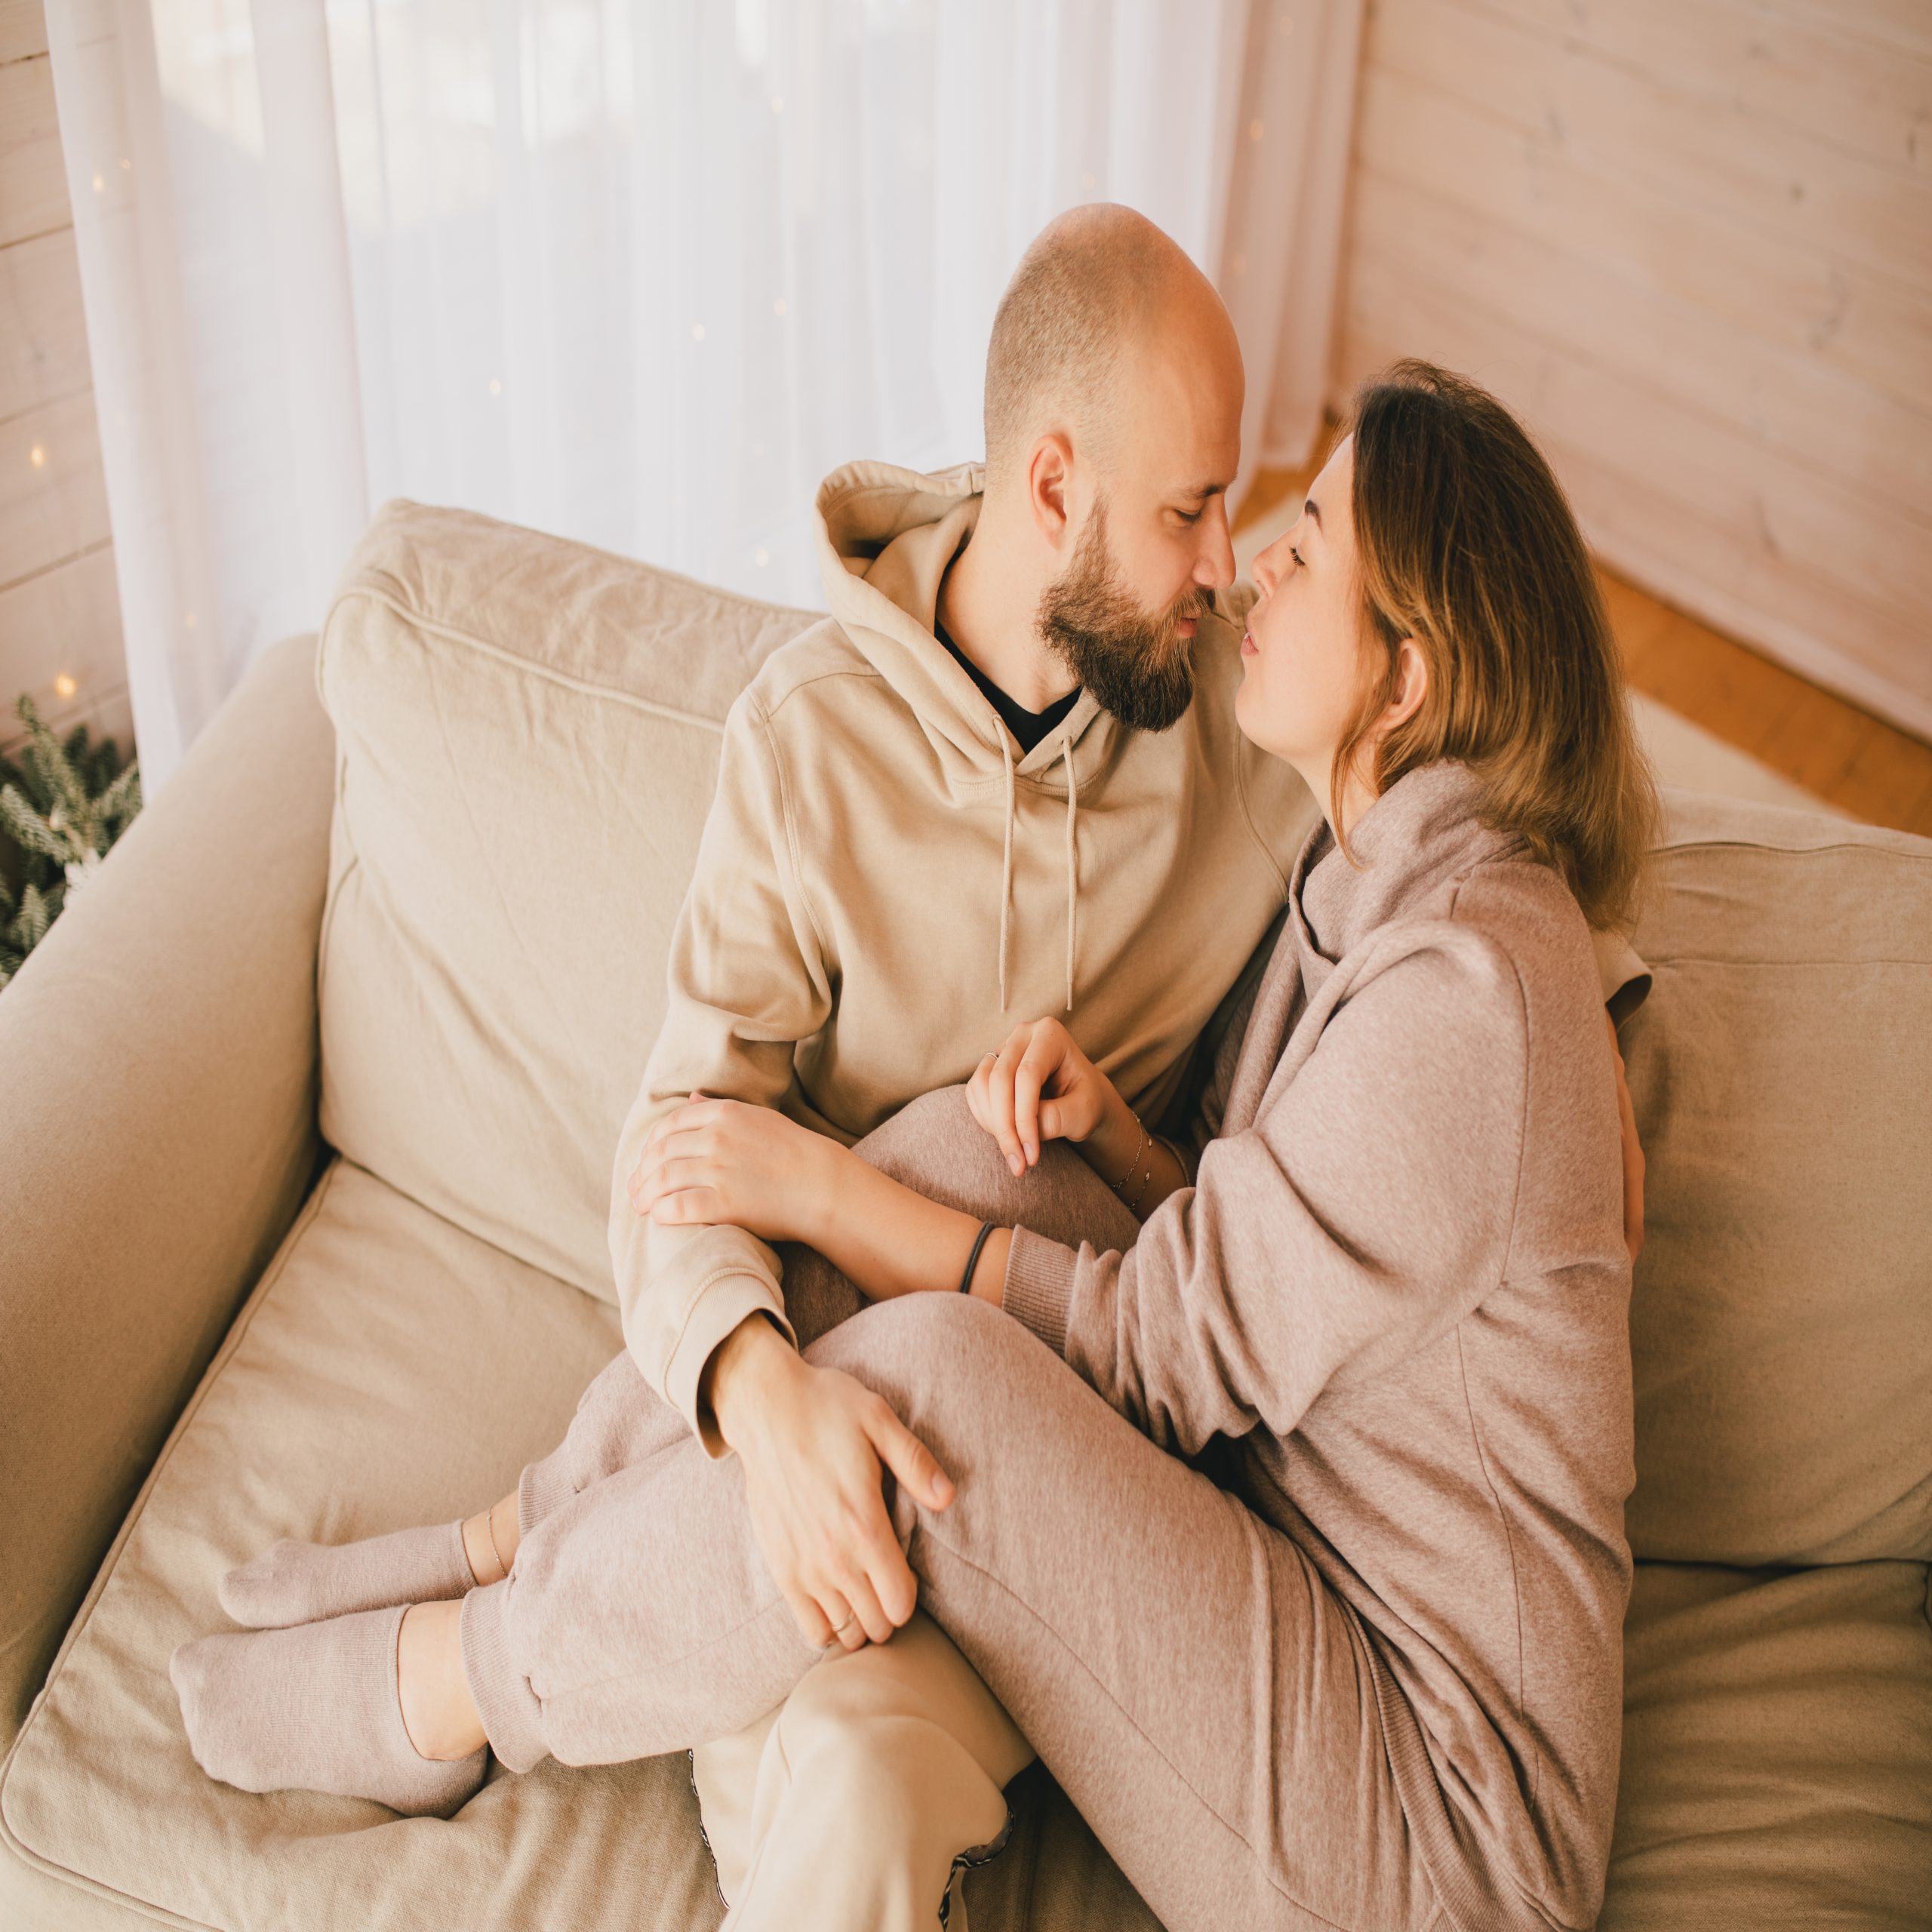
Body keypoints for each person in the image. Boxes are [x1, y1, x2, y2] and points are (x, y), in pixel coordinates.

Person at [174, 355, 1657, 1931]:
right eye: (1244, 517)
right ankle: (511, 1531)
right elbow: (1278, 1269)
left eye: (1305, 542)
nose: (1245, 564)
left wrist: (821, 1185)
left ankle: (453, 1684)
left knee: (927, 1377)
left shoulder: (1469, 987)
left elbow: (1164, 1349)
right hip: (1282, 1535)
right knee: (983, 1144)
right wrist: (1113, 1140)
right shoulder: (1378, 882)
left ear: (1408, 679)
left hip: (1433, 1815)